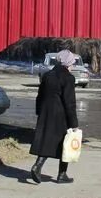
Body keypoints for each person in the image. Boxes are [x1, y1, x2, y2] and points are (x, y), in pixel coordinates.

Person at [30, 49, 80, 184]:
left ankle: (37, 166)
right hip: (61, 116)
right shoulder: (68, 78)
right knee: (66, 144)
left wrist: (39, 112)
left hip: (46, 114)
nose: (73, 65)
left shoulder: (47, 75)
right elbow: (69, 103)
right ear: (68, 63)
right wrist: (74, 123)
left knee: (48, 141)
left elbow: (39, 96)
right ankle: (62, 175)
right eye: (72, 63)